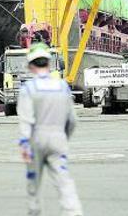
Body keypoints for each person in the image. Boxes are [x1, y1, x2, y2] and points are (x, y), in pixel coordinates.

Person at [17, 43, 83, 216]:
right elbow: (73, 120)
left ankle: (35, 212)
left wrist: (24, 144)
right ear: (49, 62)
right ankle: (73, 212)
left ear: (30, 65)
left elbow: (25, 121)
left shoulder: (28, 89)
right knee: (63, 180)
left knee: (34, 184)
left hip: (36, 139)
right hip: (58, 138)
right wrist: (63, 137)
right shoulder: (62, 87)